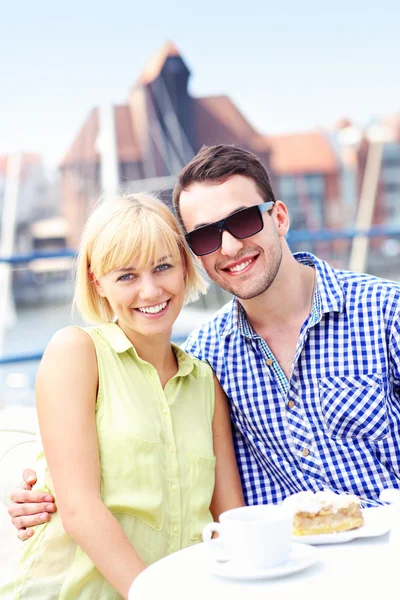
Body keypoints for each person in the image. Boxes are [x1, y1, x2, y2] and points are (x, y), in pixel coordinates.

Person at [8, 144, 400, 535]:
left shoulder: (386, 313)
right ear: (194, 255)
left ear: (278, 217)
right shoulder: (204, 361)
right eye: (206, 236)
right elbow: (142, 446)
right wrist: (44, 491)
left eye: (244, 221)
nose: (229, 247)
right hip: (286, 571)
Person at [0, 193, 244, 599]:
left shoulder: (206, 384)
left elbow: (230, 519)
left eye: (163, 267)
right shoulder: (76, 354)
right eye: (126, 276)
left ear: (185, 268)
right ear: (98, 281)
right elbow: (79, 509)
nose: (150, 291)